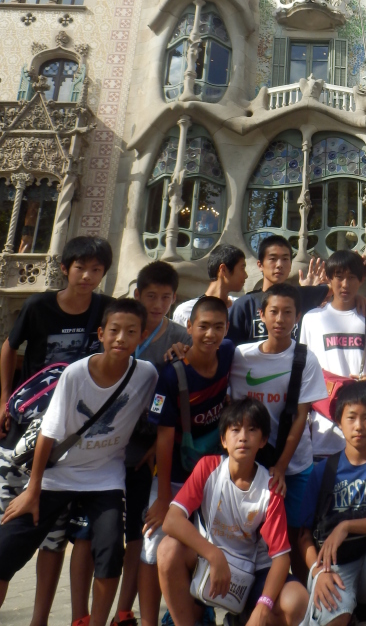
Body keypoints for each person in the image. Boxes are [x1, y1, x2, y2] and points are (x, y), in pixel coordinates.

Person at [0, 298, 158, 626]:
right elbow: (48, 433)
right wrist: (33, 490)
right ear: (101, 333)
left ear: (142, 336)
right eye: (114, 330)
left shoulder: (146, 375)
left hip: (105, 479)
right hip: (57, 475)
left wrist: (156, 446)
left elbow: (164, 414)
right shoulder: (76, 374)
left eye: (131, 332)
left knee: (110, 551)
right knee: (5, 550)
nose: (121, 338)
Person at [0, 235, 114, 626]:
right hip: (24, 433)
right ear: (65, 268)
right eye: (80, 267)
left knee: (54, 539)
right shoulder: (39, 306)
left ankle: (40, 619)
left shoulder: (105, 309)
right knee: (7, 532)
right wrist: (4, 397)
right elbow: (9, 347)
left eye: (96, 269)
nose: (87, 276)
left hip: (68, 444)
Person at [157, 398, 309, 626]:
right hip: (208, 563)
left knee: (297, 600)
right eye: (235, 429)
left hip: (252, 572)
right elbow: (171, 520)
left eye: (252, 430)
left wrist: (263, 607)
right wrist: (214, 554)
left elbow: (281, 558)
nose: (243, 437)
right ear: (223, 440)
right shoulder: (208, 467)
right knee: (167, 549)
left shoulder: (270, 487)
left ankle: (244, 617)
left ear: (263, 440)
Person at [140, 295, 233, 626]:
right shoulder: (171, 374)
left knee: (206, 544)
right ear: (189, 327)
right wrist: (164, 496)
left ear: (227, 329)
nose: (210, 334)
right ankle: (148, 620)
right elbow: (164, 438)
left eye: (218, 327)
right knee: (152, 547)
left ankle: (200, 611)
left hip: (214, 475)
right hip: (177, 473)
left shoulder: (228, 353)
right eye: (203, 326)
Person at [229, 283, 327, 576]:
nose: (280, 319)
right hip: (250, 465)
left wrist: (281, 468)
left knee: (297, 534)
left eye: (288, 312)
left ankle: (301, 593)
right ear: (261, 314)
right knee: (249, 533)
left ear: (298, 317)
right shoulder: (240, 356)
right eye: (273, 311)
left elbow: (301, 416)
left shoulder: (305, 359)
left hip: (294, 466)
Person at [114, 261, 192, 626]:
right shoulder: (121, 328)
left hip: (151, 448)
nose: (158, 304)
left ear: (174, 298)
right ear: (137, 295)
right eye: (150, 296)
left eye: (165, 297)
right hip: (112, 442)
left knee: (138, 533)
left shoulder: (181, 337)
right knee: (102, 534)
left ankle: (125, 611)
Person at [297, 381, 366, 626]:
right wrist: (317, 572)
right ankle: (348, 613)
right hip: (334, 568)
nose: (359, 426)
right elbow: (304, 536)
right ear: (339, 421)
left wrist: (346, 526)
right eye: (351, 417)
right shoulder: (324, 470)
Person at [299, 251, 366, 456]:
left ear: (361, 280)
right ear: (329, 279)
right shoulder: (312, 318)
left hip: (365, 421)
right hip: (325, 425)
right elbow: (303, 370)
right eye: (339, 277)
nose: (345, 284)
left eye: (352, 277)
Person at [228, 235, 366, 345]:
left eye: (285, 259)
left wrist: (357, 270)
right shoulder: (244, 305)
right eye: (273, 259)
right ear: (260, 265)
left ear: (291, 264)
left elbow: (340, 287)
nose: (279, 265)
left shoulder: (302, 296)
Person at [172, 243, 248, 327]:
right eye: (242, 268)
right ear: (223, 270)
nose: (246, 275)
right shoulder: (185, 312)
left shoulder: (243, 308)